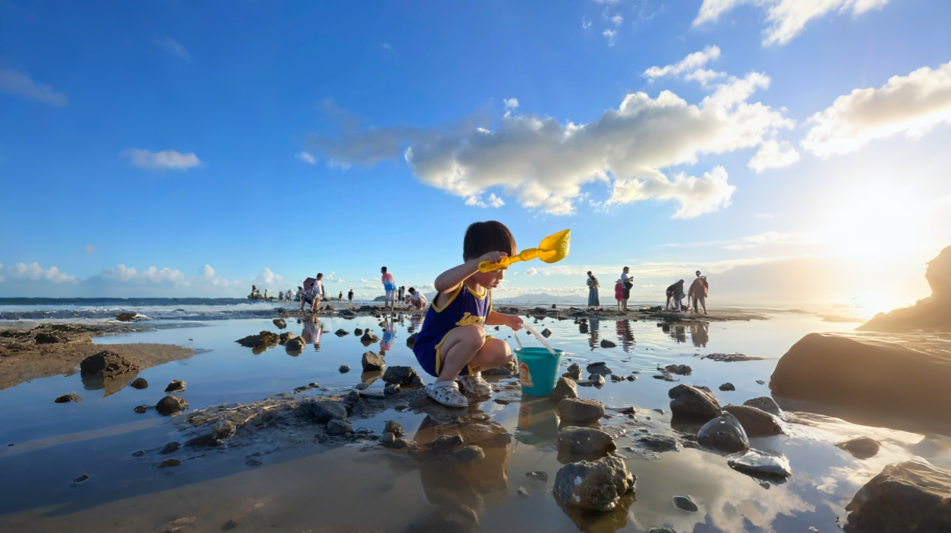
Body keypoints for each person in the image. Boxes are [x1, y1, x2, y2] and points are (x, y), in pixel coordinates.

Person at [412, 221, 525, 408]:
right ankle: (443, 383)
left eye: (504, 270)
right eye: (495, 269)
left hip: (458, 350)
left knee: (502, 351)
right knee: (475, 333)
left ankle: (467, 376)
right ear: (475, 262)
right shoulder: (456, 286)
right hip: (433, 352)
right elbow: (440, 284)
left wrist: (506, 319)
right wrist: (474, 265)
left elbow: (485, 316)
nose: (501, 277)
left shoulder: (485, 291)